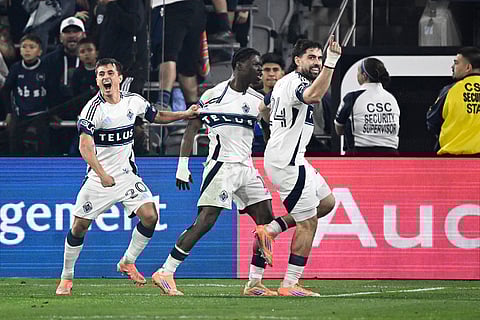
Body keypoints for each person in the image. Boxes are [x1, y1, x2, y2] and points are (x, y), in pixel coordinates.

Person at [55, 58, 199, 296]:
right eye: (101, 74)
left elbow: (157, 116)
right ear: (97, 80)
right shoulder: (93, 109)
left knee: (150, 216)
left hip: (126, 176)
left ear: (119, 77)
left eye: (110, 72)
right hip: (99, 178)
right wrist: (102, 174)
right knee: (79, 227)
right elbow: (84, 147)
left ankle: (127, 261)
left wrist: (185, 114)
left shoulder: (134, 101)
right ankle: (66, 278)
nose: (105, 77)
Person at [151, 48, 278, 297]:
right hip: (221, 166)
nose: (260, 71)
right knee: (205, 222)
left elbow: (270, 135)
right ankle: (165, 271)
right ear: (239, 65)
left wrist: (268, 122)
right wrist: (182, 167)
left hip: (247, 168)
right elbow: (192, 126)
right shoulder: (214, 95)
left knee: (267, 222)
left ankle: (255, 283)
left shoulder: (258, 100)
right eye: (256, 65)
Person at [256, 36, 341, 296]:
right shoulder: (299, 83)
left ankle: (270, 230)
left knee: (326, 203)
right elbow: (314, 95)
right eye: (311, 58)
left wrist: (275, 133)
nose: (316, 62)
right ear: (297, 60)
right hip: (288, 162)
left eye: (319, 57)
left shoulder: (281, 82)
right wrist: (333, 62)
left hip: (291, 157)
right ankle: (290, 284)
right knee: (308, 222)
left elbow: (263, 107)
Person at [1, 33, 55, 155]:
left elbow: (52, 91)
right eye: (24, 47)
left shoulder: (46, 68)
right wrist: (9, 112)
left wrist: (52, 111)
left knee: (44, 144)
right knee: (14, 142)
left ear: (40, 51)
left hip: (40, 113)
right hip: (20, 113)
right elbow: (6, 90)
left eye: (31, 47)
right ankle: (15, 168)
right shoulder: (16, 68)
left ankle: (44, 167)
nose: (27, 50)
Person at [334, 57, 400, 155]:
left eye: (358, 72)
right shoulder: (392, 99)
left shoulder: (352, 97)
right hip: (391, 155)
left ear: (364, 76)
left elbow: (339, 129)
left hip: (360, 155)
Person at [150, 0, 206, 110]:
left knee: (167, 55)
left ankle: (162, 102)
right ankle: (194, 111)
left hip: (170, 6)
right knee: (188, 66)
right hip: (196, 8)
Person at [426, 46, 480, 155]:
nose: (452, 67)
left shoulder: (451, 91)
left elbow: (432, 121)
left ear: (468, 67)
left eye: (456, 63)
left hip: (452, 158)